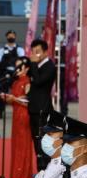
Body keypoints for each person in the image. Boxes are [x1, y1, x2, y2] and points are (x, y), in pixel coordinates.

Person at [2, 57, 36, 178]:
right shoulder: (16, 81)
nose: (16, 69)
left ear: (26, 68)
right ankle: (16, 177)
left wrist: (14, 99)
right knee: (16, 145)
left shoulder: (27, 81)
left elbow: (28, 101)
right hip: (16, 115)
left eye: (19, 67)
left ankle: (23, 177)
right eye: (15, 67)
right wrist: (8, 98)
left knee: (23, 144)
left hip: (24, 115)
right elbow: (15, 99)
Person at [28, 39, 57, 170]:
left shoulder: (49, 66)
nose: (34, 55)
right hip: (33, 109)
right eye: (33, 52)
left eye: (38, 52)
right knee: (36, 143)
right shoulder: (35, 66)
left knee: (43, 144)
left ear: (45, 52)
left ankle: (47, 172)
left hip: (43, 110)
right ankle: (40, 172)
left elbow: (39, 81)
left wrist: (33, 64)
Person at [0, 29, 25, 119]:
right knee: (2, 93)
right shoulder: (2, 49)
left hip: (15, 74)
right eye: (9, 35)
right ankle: (0, 112)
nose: (11, 37)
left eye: (12, 35)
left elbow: (23, 61)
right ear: (7, 37)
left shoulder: (19, 49)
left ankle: (19, 111)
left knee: (18, 92)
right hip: (5, 74)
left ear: (15, 37)